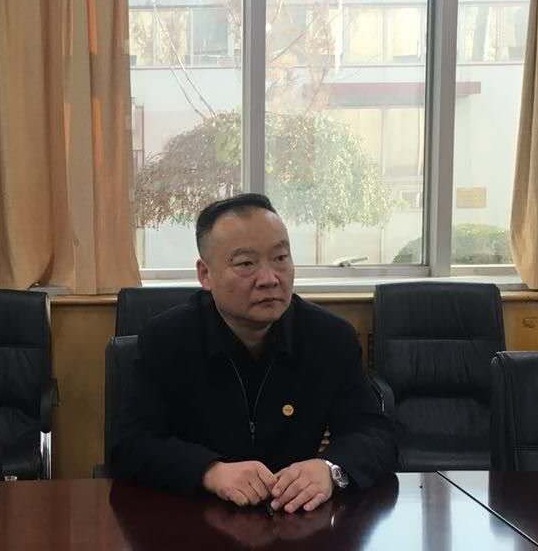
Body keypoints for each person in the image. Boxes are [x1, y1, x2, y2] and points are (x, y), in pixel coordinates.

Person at [110, 194, 396, 512]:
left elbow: (376, 434)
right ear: (205, 274)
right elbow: (129, 445)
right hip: (194, 518)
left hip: (296, 519)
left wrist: (330, 469)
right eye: (246, 263)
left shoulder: (329, 337)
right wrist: (209, 471)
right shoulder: (166, 339)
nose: (270, 279)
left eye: (280, 258)